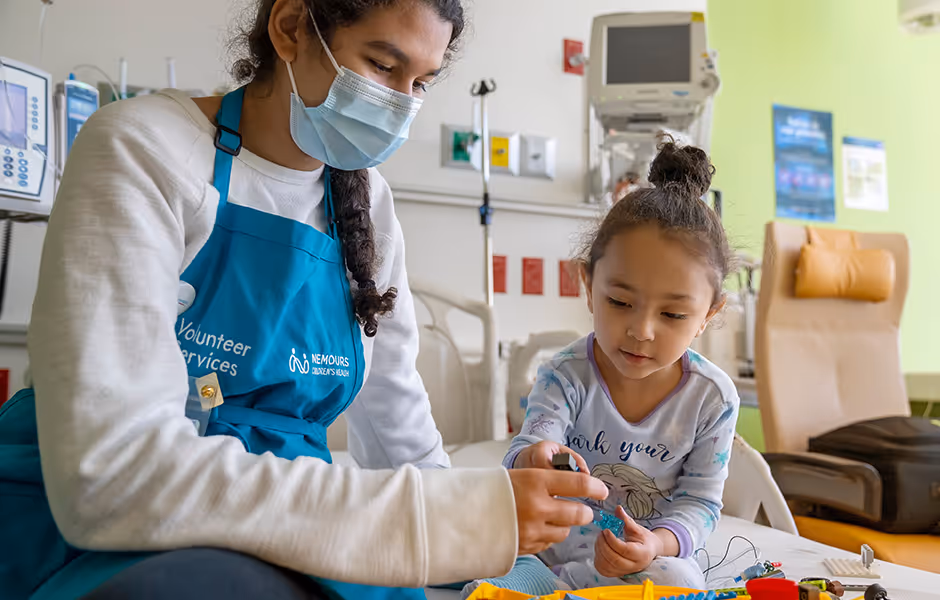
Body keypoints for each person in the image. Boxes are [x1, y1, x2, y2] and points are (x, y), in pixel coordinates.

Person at [0, 1, 609, 599]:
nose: (400, 103)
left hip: (298, 522)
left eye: (421, 82)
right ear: (291, 27)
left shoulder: (367, 205)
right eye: (381, 65)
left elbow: (395, 417)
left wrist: (488, 535)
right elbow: (113, 475)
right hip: (115, 528)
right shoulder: (144, 149)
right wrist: (447, 518)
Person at [462, 138, 741, 598]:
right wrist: (539, 456)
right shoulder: (566, 374)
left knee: (679, 581)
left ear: (708, 315)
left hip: (639, 565)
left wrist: (657, 544)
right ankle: (545, 586)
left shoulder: (712, 399)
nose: (642, 330)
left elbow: (701, 502)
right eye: (619, 302)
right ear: (588, 285)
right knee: (480, 553)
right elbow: (531, 445)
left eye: (672, 315)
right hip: (546, 553)